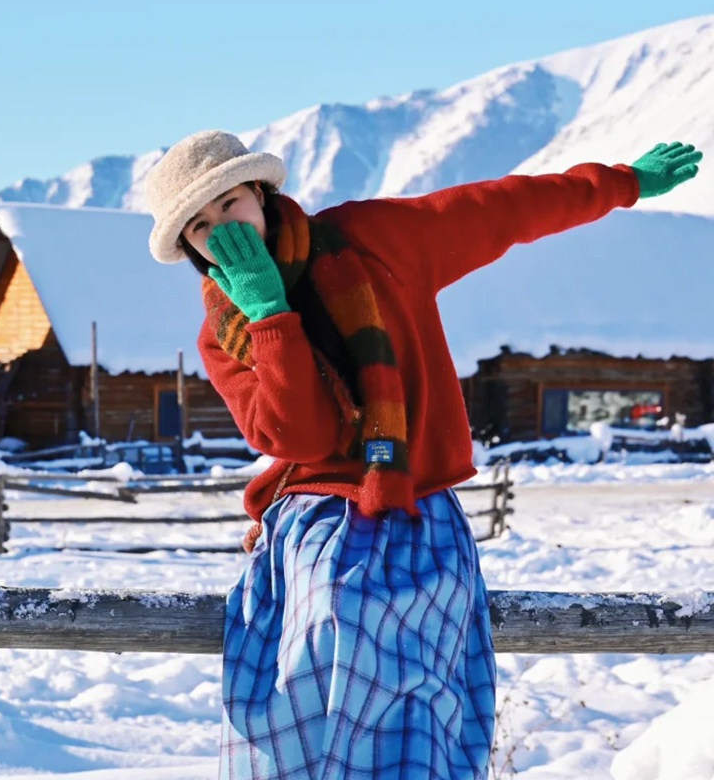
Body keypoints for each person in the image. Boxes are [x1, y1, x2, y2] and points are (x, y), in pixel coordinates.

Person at [144, 132, 702, 779]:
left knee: (414, 691)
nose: (224, 230)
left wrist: (622, 183)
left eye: (230, 203)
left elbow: (502, 208)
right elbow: (302, 438)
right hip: (314, 519)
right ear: (189, 246)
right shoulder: (224, 334)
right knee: (315, 654)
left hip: (413, 505)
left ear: (261, 194)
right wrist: (269, 314)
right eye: (200, 226)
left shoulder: (373, 239)